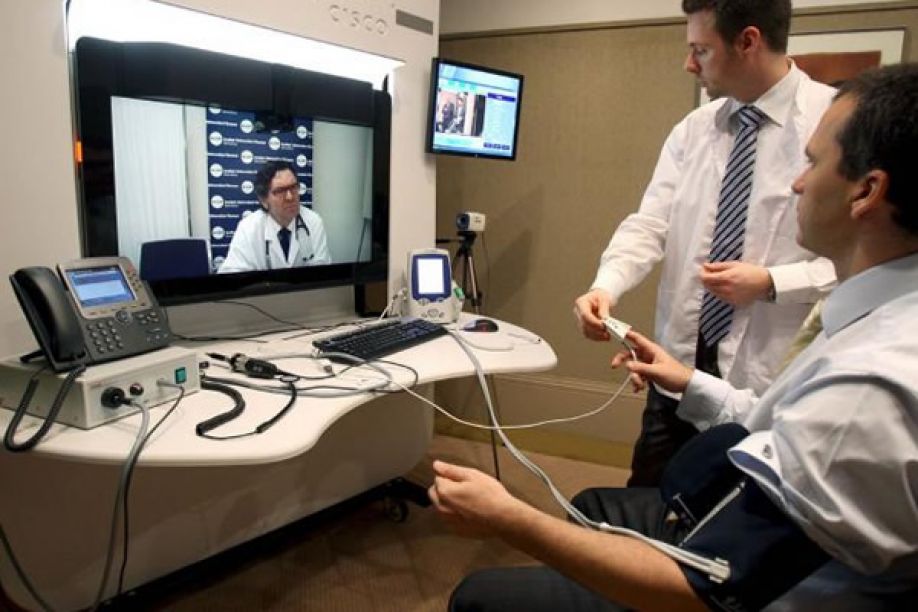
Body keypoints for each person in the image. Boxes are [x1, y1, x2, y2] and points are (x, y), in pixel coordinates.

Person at [431, 63, 918, 611]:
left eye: (812, 162)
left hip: (732, 587)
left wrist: (508, 519)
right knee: (596, 503)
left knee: (478, 597)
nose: (798, 182)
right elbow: (775, 421)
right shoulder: (875, 314)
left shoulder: (868, 388)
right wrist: (685, 378)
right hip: (716, 418)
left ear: (867, 191)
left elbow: (705, 593)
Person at [574, 0, 837, 486]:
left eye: (701, 50)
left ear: (748, 41)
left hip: (764, 381)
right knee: (648, 499)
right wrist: (605, 285)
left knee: (737, 511)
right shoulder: (693, 129)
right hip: (676, 365)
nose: (688, 64)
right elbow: (650, 223)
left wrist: (773, 282)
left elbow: (869, 259)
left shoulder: (833, 125)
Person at [218, 160, 331, 273]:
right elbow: (231, 275)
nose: (290, 197)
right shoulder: (248, 228)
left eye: (293, 187)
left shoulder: (313, 221)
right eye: (280, 191)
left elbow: (323, 272)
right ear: (264, 200)